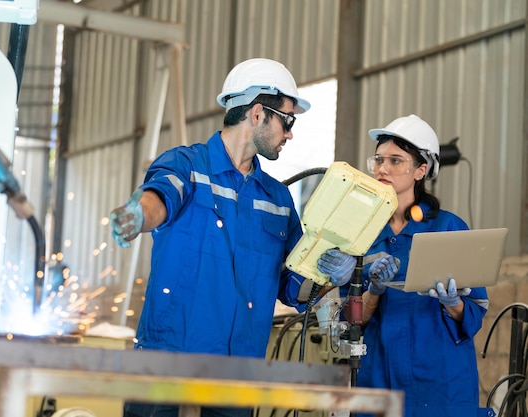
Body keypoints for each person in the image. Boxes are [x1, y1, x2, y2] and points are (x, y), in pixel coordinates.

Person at [110, 58, 348, 417]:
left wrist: (329, 276)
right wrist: (138, 214)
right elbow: (162, 195)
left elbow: (292, 286)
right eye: (287, 120)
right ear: (257, 114)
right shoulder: (188, 166)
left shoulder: (278, 201)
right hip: (168, 360)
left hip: (237, 372)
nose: (290, 133)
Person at [317, 114, 495, 417]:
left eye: (396, 161)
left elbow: (474, 313)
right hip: (379, 381)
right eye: (379, 160)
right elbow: (352, 320)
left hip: (441, 382)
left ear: (420, 170)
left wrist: (452, 303)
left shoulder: (449, 228)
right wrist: (373, 290)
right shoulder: (360, 232)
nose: (382, 168)